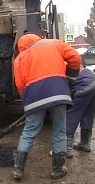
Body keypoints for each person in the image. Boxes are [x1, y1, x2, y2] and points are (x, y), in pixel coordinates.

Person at [12, 33, 81, 180]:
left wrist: (28, 100)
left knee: (29, 131)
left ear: (21, 47)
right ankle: (57, 169)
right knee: (59, 131)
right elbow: (75, 58)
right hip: (58, 93)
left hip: (34, 96)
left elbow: (20, 85)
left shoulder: (19, 59)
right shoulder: (53, 43)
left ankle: (18, 170)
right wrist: (70, 79)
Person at [66, 66, 95, 157]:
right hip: (94, 81)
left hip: (83, 84)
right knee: (88, 113)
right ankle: (85, 143)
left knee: (72, 115)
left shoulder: (59, 66)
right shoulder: (68, 61)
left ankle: (65, 149)